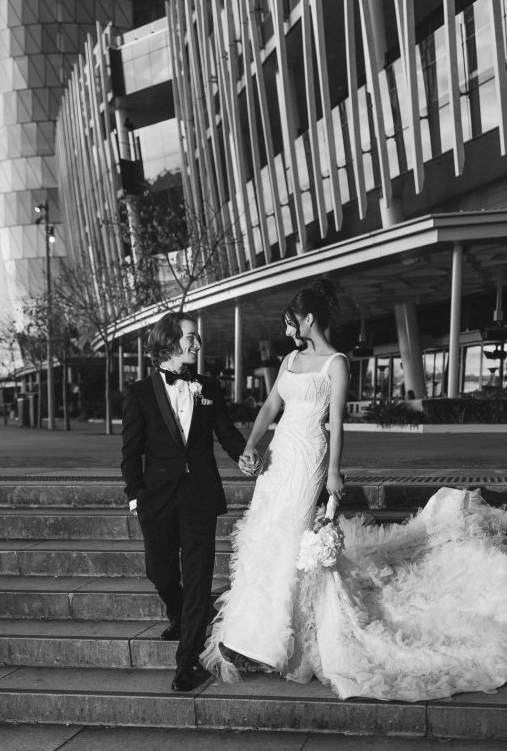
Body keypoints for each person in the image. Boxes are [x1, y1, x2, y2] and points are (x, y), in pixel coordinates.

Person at [201, 279, 507, 702]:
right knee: (263, 532)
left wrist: (333, 473)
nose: (288, 331)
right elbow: (271, 406)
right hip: (279, 456)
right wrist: (251, 446)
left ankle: (276, 638)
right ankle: (249, 632)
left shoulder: (337, 363)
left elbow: (336, 423)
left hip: (309, 456)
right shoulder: (289, 359)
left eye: (292, 322)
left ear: (309, 319)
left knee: (291, 537)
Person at [121, 310, 251, 692]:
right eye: (190, 336)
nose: (198, 343)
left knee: (198, 578)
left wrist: (246, 456)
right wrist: (135, 498)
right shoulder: (139, 393)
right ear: (169, 341)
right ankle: (178, 614)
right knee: (159, 572)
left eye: (196, 336)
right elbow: (130, 453)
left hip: (199, 495)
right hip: (157, 498)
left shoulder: (208, 386)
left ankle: (187, 660)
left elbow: (226, 431)